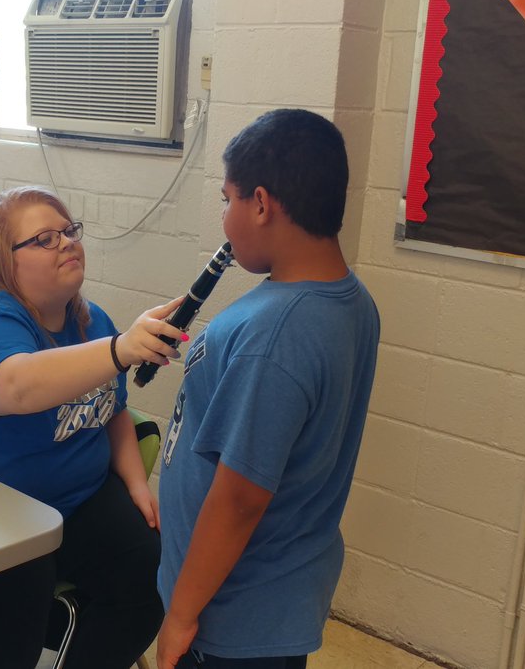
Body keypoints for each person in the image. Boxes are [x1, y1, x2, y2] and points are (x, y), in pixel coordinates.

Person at [0, 186, 184, 669]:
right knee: (5, 631)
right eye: (44, 239)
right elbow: (16, 387)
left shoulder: (90, 320)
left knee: (149, 572)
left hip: (70, 501)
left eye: (69, 232)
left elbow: (111, 409)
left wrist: (137, 484)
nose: (67, 244)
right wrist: (122, 350)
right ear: (3, 262)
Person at [155, 109, 381, 669]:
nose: (226, 219)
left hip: (230, 620)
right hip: (272, 601)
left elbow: (240, 499)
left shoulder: (275, 336)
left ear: (261, 203)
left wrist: (181, 616)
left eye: (228, 200)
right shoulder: (351, 300)